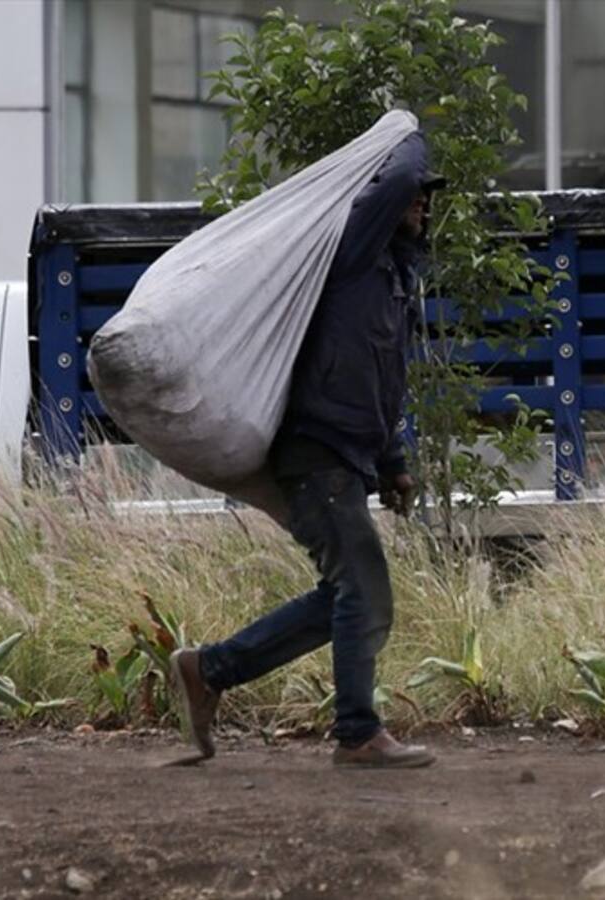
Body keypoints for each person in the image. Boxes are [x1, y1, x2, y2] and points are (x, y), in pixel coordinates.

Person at [168, 129, 445, 768]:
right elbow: (401, 173)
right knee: (364, 591)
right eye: (416, 200)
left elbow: (381, 383)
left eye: (427, 201)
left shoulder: (391, 283)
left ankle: (209, 669)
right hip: (316, 451)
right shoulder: (350, 250)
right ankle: (357, 733)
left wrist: (394, 465)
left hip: (345, 456)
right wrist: (407, 127)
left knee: (346, 596)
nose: (422, 205)